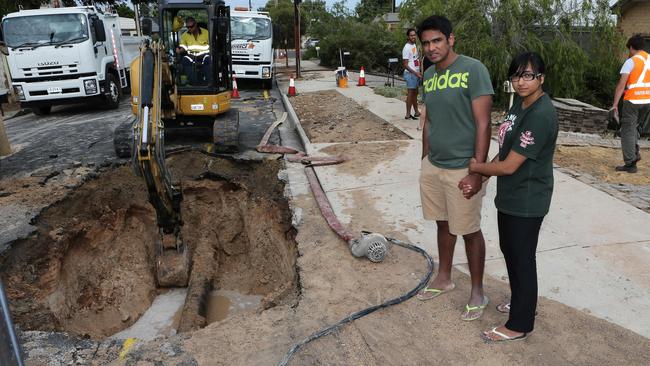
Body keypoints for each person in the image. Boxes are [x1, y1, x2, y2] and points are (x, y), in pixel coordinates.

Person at [468, 52, 558, 342]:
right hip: (512, 196)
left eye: (528, 75)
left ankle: (519, 323)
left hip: (527, 199)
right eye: (516, 76)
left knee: (521, 257)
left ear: (541, 78)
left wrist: (476, 167)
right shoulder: (521, 104)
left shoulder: (541, 114)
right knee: (514, 252)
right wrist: (482, 176)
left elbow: (508, 166)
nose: (521, 81)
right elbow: (505, 150)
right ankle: (523, 303)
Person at [415, 15, 494, 322]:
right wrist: (424, 160)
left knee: (470, 230)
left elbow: (483, 123)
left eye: (436, 40)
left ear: (451, 39)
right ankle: (444, 277)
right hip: (434, 165)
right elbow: (429, 120)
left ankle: (477, 291)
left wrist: (477, 170)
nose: (431, 48)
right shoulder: (430, 74)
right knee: (442, 223)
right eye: (425, 43)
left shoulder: (474, 69)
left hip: (464, 166)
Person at [611, 34, 650, 173]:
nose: (629, 52)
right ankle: (634, 153)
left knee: (627, 130)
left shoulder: (631, 61)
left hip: (633, 101)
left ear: (632, 48)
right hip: (647, 102)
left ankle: (630, 163)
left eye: (629, 49)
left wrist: (615, 105)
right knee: (634, 128)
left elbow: (621, 85)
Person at [176, 16, 211, 85]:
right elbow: (184, 48)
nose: (189, 29)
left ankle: (208, 83)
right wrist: (179, 51)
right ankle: (193, 83)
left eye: (191, 26)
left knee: (208, 59)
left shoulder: (206, 33)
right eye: (187, 27)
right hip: (191, 55)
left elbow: (212, 45)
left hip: (204, 55)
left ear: (196, 24)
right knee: (185, 60)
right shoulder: (185, 35)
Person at [402, 28, 422, 120]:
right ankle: (408, 114)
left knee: (415, 93)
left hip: (415, 73)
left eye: (414, 35)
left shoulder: (414, 45)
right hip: (410, 74)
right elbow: (405, 65)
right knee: (410, 94)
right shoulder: (406, 48)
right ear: (408, 36)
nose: (413, 37)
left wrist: (419, 71)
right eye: (411, 35)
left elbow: (415, 59)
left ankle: (417, 112)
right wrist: (416, 73)